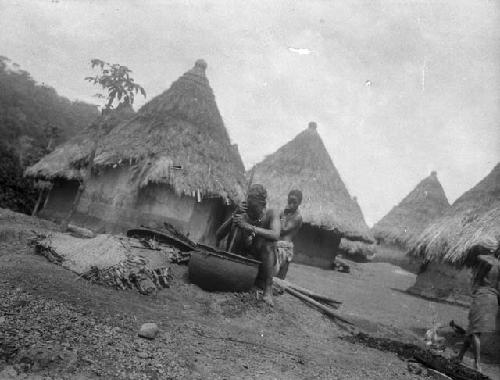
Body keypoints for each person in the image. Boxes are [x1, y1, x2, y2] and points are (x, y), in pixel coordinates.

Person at [215, 184, 280, 305]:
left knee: (268, 243)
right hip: (247, 262)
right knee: (236, 225)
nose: (250, 209)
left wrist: (250, 227)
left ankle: (268, 288)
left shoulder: (271, 214)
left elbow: (276, 235)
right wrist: (235, 214)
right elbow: (218, 235)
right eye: (249, 205)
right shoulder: (244, 214)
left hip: (267, 265)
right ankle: (229, 266)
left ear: (263, 205)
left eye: (254, 206)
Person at [454, 245, 500, 372]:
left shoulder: (487, 261)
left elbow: (479, 256)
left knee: (474, 332)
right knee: (472, 330)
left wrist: (492, 251)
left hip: (482, 297)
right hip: (493, 299)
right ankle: (459, 357)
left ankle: (477, 364)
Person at [275, 189, 303, 279]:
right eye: (290, 201)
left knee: (278, 281)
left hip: (285, 248)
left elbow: (283, 229)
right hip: (276, 244)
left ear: (299, 203)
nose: (291, 204)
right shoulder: (284, 213)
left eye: (294, 202)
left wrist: (283, 215)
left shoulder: (297, 217)